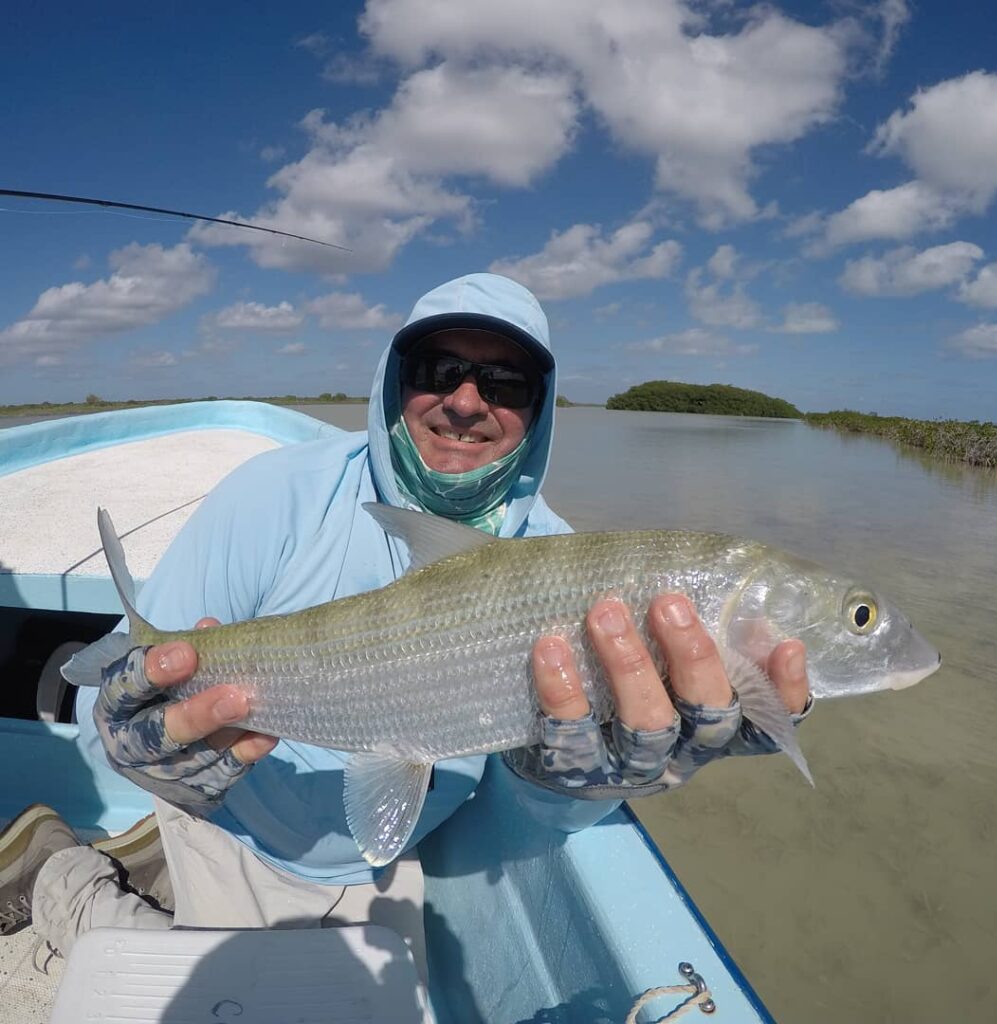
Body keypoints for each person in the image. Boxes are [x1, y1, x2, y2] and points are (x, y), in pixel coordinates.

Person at [0, 273, 811, 973]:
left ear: (541, 410)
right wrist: (137, 747)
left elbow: (520, 809)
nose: (466, 401)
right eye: (440, 369)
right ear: (395, 378)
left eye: (505, 384)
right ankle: (64, 878)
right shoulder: (273, 493)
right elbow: (128, 695)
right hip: (229, 832)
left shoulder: (568, 568)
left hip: (393, 859)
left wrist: (579, 784)